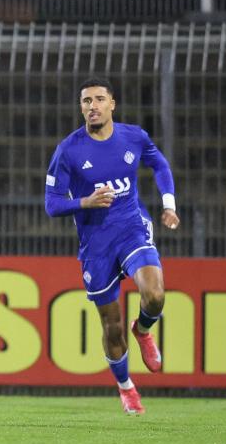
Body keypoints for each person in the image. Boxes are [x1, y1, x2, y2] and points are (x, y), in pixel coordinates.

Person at [45, 78, 180, 414]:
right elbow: (52, 204)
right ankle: (126, 387)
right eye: (86, 101)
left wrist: (169, 204)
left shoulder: (133, 137)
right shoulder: (68, 150)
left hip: (132, 228)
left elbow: (160, 164)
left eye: (99, 99)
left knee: (155, 294)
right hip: (96, 244)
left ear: (112, 104)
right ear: (81, 107)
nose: (92, 106)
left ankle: (143, 330)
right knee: (111, 326)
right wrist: (85, 202)